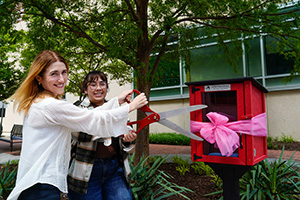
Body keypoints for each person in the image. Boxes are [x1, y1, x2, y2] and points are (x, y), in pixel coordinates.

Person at [7, 50, 147, 200]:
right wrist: (130, 107)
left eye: (64, 72)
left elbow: (89, 117)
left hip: (39, 182)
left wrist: (116, 102)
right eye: (54, 74)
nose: (61, 79)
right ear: (39, 78)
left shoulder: (39, 102)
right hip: (42, 185)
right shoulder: (50, 106)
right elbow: (90, 120)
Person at [67, 71, 135, 200]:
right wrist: (114, 127)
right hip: (86, 171)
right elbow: (82, 135)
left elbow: (127, 133)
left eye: (102, 84)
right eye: (93, 84)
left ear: (106, 88)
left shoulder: (117, 109)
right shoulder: (77, 109)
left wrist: (128, 138)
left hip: (115, 168)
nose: (98, 88)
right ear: (85, 90)